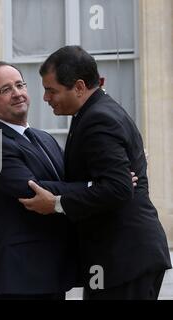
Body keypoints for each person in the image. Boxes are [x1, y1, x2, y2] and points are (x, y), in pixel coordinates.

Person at [21, 45, 171, 300]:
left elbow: (118, 188)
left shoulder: (99, 119)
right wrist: (94, 185)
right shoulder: (93, 112)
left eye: (51, 90)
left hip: (124, 259)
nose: (45, 98)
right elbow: (111, 181)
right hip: (114, 259)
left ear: (79, 87)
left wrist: (57, 203)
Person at [0, 61, 93, 300]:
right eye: (5, 89)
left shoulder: (44, 138)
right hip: (19, 276)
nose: (17, 93)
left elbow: (67, 179)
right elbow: (33, 190)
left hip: (51, 272)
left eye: (20, 85)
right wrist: (92, 187)